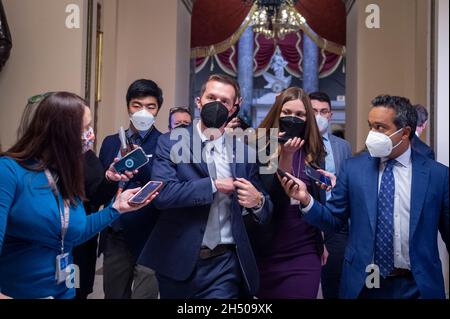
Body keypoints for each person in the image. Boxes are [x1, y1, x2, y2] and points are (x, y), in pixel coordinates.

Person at [281, 95, 449, 299]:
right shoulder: (354, 169)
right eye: (370, 126)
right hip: (366, 283)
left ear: (404, 132)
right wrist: (306, 199)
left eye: (380, 127)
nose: (372, 134)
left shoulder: (438, 175)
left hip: (418, 286)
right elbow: (333, 220)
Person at [0, 92, 154, 299]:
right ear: (61, 132)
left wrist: (116, 208)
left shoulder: (66, 173)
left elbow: (73, 231)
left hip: (65, 291)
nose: (91, 134)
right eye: (85, 128)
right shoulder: (9, 172)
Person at [138, 74, 273, 299]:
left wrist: (258, 201)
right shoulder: (170, 142)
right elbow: (163, 194)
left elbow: (266, 208)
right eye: (211, 97)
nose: (217, 105)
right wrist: (214, 185)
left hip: (225, 264)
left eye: (225, 101)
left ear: (234, 108)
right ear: (199, 101)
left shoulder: (246, 154)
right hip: (177, 259)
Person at [248, 87, 327, 299]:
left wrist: (322, 239)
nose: (293, 118)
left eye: (300, 115)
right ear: (277, 113)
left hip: (304, 247)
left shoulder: (314, 148)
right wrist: (285, 155)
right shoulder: (257, 145)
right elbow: (272, 196)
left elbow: (318, 199)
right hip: (267, 244)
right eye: (287, 113)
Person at [98, 79, 163, 299]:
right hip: (116, 233)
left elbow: (165, 186)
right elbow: (100, 191)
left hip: (150, 235)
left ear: (157, 110)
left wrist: (137, 162)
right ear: (128, 106)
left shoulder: (167, 143)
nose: (143, 111)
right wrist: (108, 177)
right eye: (137, 105)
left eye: (150, 106)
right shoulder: (110, 142)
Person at [309, 91, 352, 299]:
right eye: (314, 111)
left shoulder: (342, 146)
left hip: (336, 221)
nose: (319, 115)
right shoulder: (296, 143)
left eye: (323, 111)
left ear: (330, 115)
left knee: (334, 280)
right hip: (307, 220)